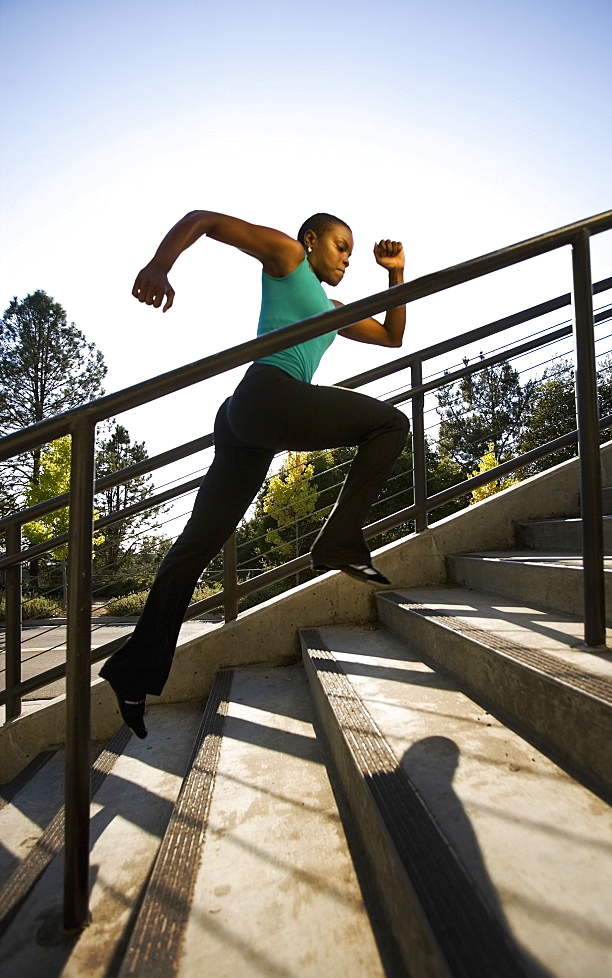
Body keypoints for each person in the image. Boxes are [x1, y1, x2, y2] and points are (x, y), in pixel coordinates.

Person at [100, 210, 409, 737]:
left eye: (352, 254)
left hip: (250, 419)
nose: (346, 260)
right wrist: (159, 264)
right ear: (311, 241)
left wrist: (395, 275)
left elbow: (391, 336)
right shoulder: (288, 261)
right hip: (270, 394)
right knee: (390, 423)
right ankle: (337, 540)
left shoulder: (332, 309)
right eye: (339, 247)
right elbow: (204, 220)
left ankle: (133, 671)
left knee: (196, 546)